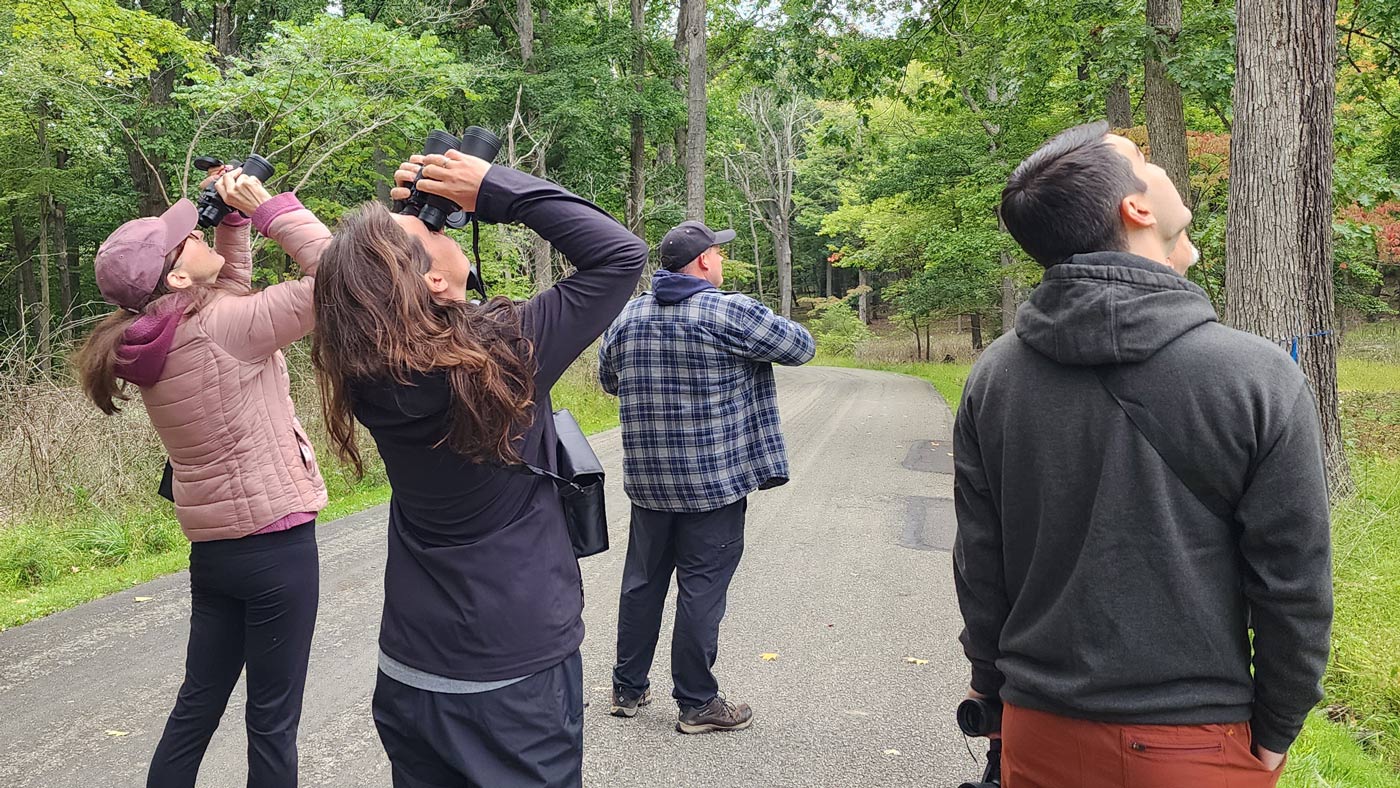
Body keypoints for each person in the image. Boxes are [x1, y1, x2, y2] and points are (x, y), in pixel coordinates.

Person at [953, 120, 1333, 787]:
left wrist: (993, 694)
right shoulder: (1257, 375)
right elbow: (1293, 583)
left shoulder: (996, 375)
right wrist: (1278, 727)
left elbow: (982, 565)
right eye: (1141, 159)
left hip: (1040, 726)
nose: (1156, 161)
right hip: (1199, 742)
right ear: (1137, 208)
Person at [310, 150, 647, 787]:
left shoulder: (363, 370)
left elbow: (360, 292)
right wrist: (494, 189)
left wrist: (408, 230)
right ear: (433, 285)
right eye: (429, 233)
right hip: (510, 677)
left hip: (411, 670)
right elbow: (620, 255)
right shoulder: (505, 356)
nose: (438, 229)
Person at [76, 168, 333, 788]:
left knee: (198, 706)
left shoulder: (155, 335)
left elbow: (229, 301)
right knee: (272, 722)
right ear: (176, 274)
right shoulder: (225, 330)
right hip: (276, 546)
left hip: (217, 555)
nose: (198, 230)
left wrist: (234, 224)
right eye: (188, 236)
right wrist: (271, 208)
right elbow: (347, 281)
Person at [600, 220, 816, 733]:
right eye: (718, 252)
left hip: (649, 483)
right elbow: (801, 347)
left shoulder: (630, 314)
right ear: (702, 261)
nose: (721, 259)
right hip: (712, 484)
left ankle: (628, 689)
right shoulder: (729, 310)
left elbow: (610, 380)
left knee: (642, 584)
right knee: (701, 588)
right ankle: (697, 702)